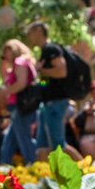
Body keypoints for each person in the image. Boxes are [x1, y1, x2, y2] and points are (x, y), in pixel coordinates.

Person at [31, 21, 74, 159]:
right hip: (48, 103)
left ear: (38, 31)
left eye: (30, 33)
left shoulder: (51, 49)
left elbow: (62, 71)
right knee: (44, 145)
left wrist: (41, 70)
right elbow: (46, 82)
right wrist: (40, 80)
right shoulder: (44, 52)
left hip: (56, 103)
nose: (29, 37)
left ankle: (83, 168)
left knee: (58, 144)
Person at [0, 38, 39, 165]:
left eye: (6, 51)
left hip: (20, 106)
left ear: (13, 50)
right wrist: (4, 61)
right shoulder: (18, 64)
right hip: (16, 107)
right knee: (10, 141)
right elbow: (4, 75)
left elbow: (22, 83)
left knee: (24, 139)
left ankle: (33, 166)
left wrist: (7, 91)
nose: (4, 55)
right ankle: (4, 166)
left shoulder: (20, 62)